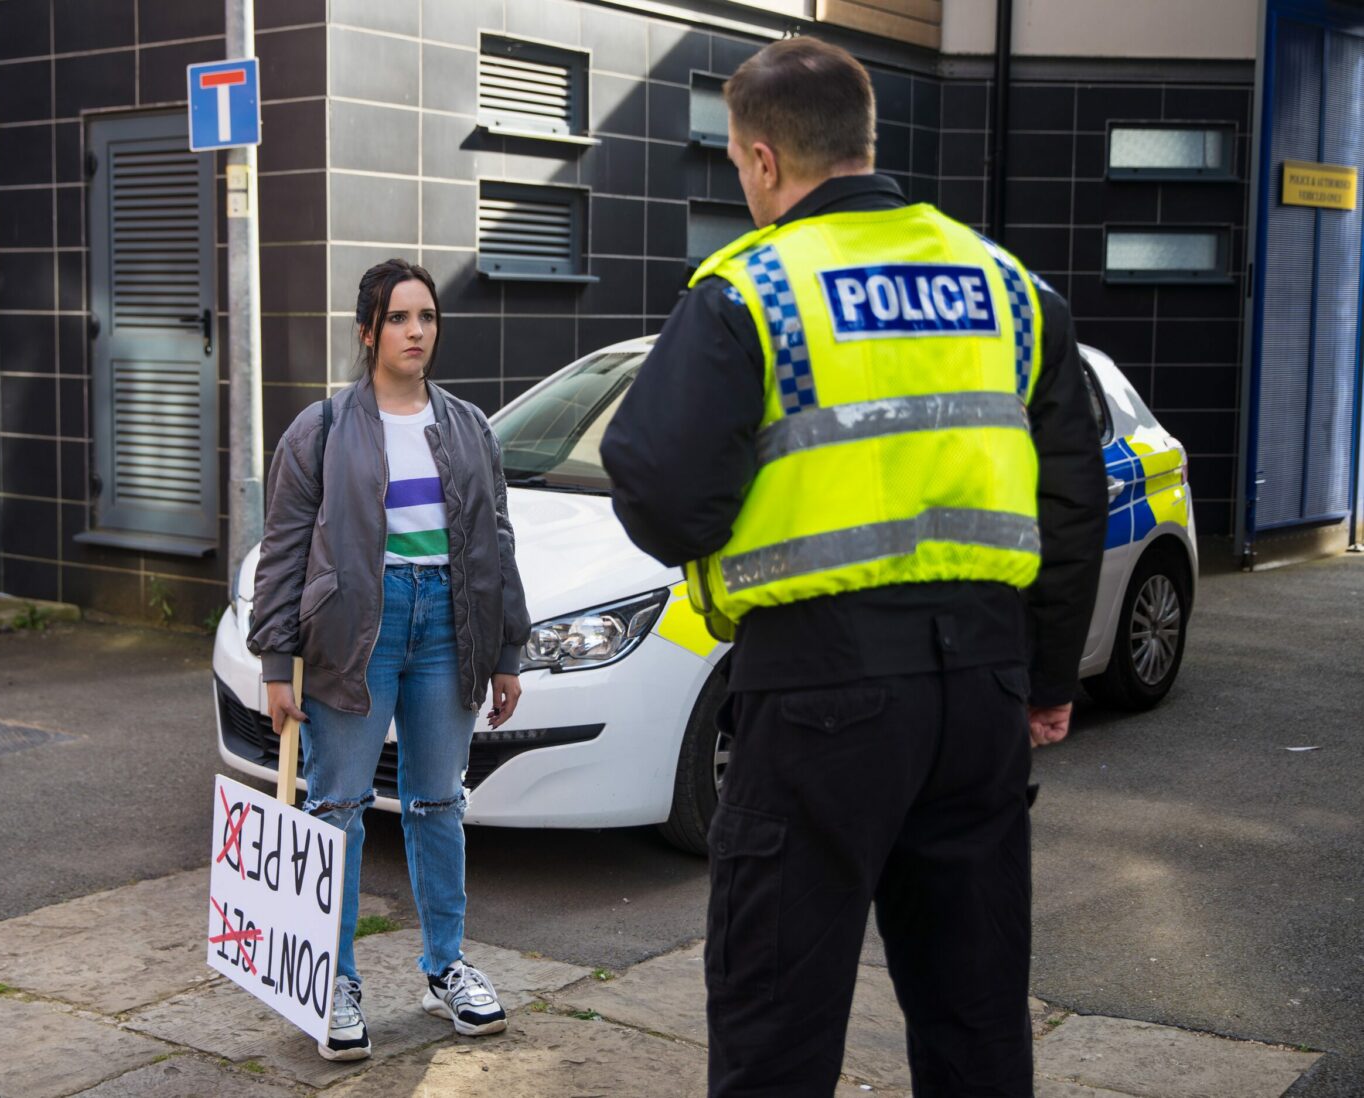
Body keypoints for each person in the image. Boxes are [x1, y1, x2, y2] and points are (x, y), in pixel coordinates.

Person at [600, 37, 1106, 1098]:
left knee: (776, 1019)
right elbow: (1071, 495)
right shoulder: (1010, 289)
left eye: (741, 168)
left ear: (767, 161)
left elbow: (658, 486)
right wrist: (1049, 679)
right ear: (865, 141)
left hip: (818, 695)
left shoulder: (753, 288)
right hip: (981, 694)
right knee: (975, 1014)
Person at [247, 258, 531, 1061]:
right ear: (368, 331)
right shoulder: (325, 428)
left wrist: (508, 647)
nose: (416, 332)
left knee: (438, 800)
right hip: (354, 631)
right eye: (400, 318)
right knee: (335, 807)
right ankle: (331, 979)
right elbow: (286, 549)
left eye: (428, 317)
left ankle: (446, 968)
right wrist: (276, 661)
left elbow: (495, 546)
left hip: (448, 623)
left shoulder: (470, 426)